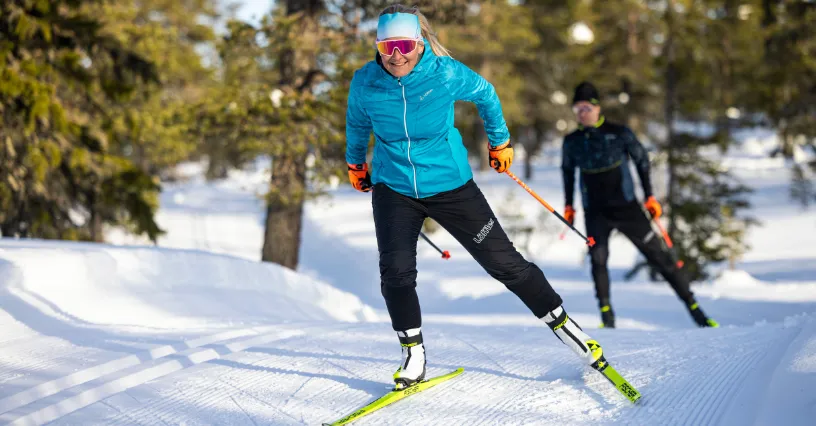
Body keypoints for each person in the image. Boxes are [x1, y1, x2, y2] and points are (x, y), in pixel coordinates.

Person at [345, 4, 611, 390]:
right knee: (396, 273)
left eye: (404, 44)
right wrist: (356, 164)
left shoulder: (444, 73)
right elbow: (356, 123)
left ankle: (567, 327)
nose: (396, 55)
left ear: (419, 44)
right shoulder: (365, 82)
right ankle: (413, 354)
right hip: (394, 187)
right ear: (378, 47)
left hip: (451, 185)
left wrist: (499, 140)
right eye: (387, 47)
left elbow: (486, 94)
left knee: (506, 265)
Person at [561, 81, 719, 329]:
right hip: (595, 212)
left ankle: (696, 310)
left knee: (659, 257)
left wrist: (649, 196)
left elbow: (642, 161)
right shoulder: (572, 141)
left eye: (586, 107)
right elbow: (567, 172)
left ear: (597, 107)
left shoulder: (619, 133)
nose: (582, 113)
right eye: (577, 108)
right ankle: (607, 317)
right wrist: (569, 206)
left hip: (627, 209)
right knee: (598, 260)